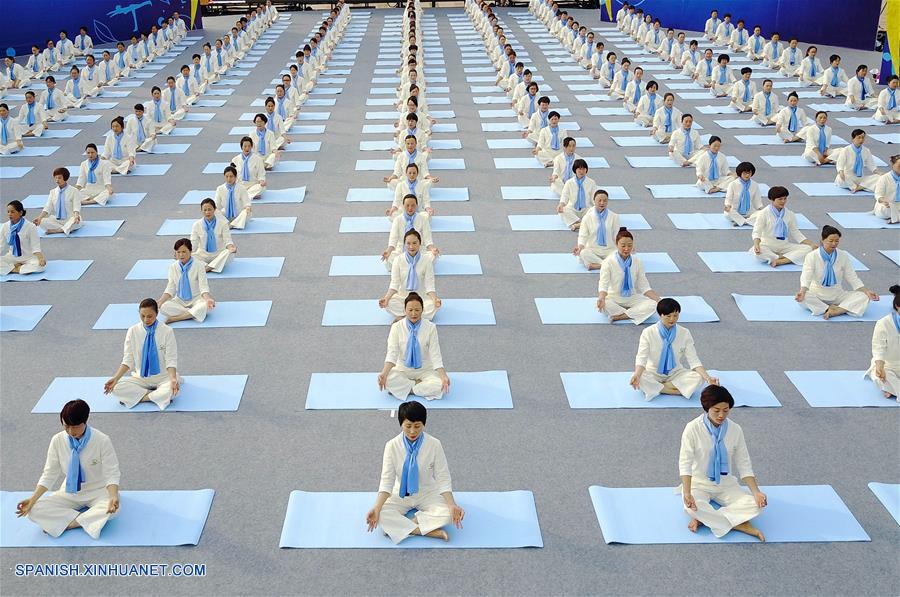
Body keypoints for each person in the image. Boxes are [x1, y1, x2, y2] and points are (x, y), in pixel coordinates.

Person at [14, 399, 120, 539]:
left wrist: (113, 496)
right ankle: (88, 520)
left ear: (85, 421)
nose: (70, 431)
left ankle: (68, 523)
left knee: (113, 510)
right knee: (33, 510)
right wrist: (32, 499)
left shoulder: (102, 440)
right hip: (69, 492)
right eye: (66, 426)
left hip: (98, 490)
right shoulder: (57, 440)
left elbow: (111, 472)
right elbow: (49, 474)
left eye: (75, 426)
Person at [365, 401, 462, 543]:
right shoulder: (391, 446)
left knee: (448, 513)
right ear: (401, 424)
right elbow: (387, 480)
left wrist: (452, 504)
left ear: (424, 424)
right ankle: (426, 531)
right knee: (381, 515)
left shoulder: (434, 444)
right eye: (408, 426)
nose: (412, 431)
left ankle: (401, 528)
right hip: (400, 493)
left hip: (427, 492)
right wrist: (377, 507)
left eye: (417, 426)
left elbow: (443, 477)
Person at [679, 386, 767, 541]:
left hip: (726, 485)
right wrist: (687, 493)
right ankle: (739, 524)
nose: (721, 415)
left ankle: (705, 520)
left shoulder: (735, 429)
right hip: (698, 484)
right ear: (707, 408)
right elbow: (685, 463)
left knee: (757, 504)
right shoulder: (692, 428)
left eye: (726, 410)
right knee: (690, 506)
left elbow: (744, 463)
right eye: (716, 410)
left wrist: (756, 492)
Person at [630, 298, 718, 400]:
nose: (672, 319)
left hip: (675, 373)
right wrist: (637, 375)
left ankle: (657, 388)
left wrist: (708, 378)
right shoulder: (648, 332)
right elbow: (642, 357)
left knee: (698, 377)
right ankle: (676, 390)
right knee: (640, 377)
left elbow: (693, 360)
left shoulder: (684, 333)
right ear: (660, 315)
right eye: (668, 316)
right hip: (653, 372)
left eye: (675, 315)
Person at [104, 298, 180, 409]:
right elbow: (128, 360)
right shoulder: (133, 331)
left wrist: (173, 379)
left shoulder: (167, 331)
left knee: (172, 389)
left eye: (149, 316)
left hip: (163, 377)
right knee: (116, 388)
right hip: (141, 378)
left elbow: (171, 359)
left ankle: (138, 397)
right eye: (142, 316)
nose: (146, 320)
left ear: (157, 313)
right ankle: (155, 396)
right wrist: (116, 378)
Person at [795, 226, 877, 319]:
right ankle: (830, 308)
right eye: (831, 241)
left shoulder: (843, 255)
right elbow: (806, 275)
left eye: (837, 241)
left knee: (864, 296)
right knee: (804, 298)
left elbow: (852, 276)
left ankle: (837, 311)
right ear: (822, 240)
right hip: (817, 295)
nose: (834, 244)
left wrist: (866, 291)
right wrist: (802, 291)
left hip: (837, 295)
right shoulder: (812, 256)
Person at [597, 228, 661, 324]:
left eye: (630, 245)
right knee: (604, 304)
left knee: (653, 304)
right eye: (623, 246)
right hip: (614, 297)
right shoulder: (608, 262)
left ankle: (621, 316)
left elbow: (644, 287)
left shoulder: (637, 262)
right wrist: (601, 298)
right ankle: (633, 313)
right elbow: (603, 284)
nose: (626, 249)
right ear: (616, 244)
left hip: (632, 297)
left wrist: (658, 300)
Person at [380, 230, 441, 320]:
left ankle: (404, 317)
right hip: (403, 297)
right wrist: (386, 298)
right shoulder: (398, 260)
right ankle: (416, 316)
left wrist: (435, 299)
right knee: (389, 303)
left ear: (420, 243)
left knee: (433, 306)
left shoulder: (427, 260)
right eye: (408, 243)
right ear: (404, 244)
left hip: (421, 297)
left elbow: (429, 284)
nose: (411, 246)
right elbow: (394, 283)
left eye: (414, 243)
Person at [750, 186, 816, 267]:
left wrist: (812, 244)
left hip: (784, 246)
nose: (783, 201)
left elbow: (796, 233)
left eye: (785, 198)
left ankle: (782, 260)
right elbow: (757, 231)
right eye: (780, 199)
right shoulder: (763, 213)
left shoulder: (790, 214)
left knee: (808, 249)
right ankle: (784, 258)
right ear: (772, 199)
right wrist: (756, 245)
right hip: (767, 245)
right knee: (758, 252)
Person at [159, 238, 216, 323]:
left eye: (184, 252)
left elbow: (203, 286)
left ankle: (176, 318)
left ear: (190, 251)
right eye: (178, 252)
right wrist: (160, 301)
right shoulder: (173, 267)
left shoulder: (199, 265)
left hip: (196, 298)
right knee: (163, 307)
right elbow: (170, 288)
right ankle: (192, 313)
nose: (181, 255)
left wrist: (207, 299)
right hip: (180, 300)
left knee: (205, 305)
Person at [383, 194, 438, 269]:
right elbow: (393, 238)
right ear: (403, 206)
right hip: (401, 250)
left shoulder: (423, 219)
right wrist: (388, 251)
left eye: (413, 205)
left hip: (419, 250)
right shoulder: (397, 219)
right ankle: (417, 267)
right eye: (407, 205)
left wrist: (433, 249)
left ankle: (406, 267)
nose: (410, 208)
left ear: (417, 205)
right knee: (388, 258)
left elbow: (427, 238)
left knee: (433, 256)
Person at [866, 286, 900, 398]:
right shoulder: (883, 323)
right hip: (888, 366)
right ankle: (892, 387)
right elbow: (878, 348)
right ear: (897, 306)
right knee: (880, 376)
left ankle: (891, 389)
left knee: (888, 383)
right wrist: (880, 365)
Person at [574, 190, 619, 270]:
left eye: (605, 200)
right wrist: (580, 246)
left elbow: (616, 235)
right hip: (593, 249)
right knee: (583, 253)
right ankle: (607, 265)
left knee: (620, 256)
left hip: (609, 249)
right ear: (594, 201)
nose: (602, 203)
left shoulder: (614, 217)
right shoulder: (587, 218)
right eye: (599, 200)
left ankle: (598, 265)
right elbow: (583, 235)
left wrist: (622, 246)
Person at [191, 199, 236, 273]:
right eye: (205, 210)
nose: (207, 212)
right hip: (202, 255)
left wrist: (231, 247)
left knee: (230, 253)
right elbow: (193, 243)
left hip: (218, 255)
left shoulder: (223, 223)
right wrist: (187, 253)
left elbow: (227, 240)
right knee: (188, 257)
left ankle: (207, 267)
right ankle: (214, 266)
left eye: (209, 209)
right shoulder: (196, 225)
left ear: (214, 209)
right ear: (201, 211)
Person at [34, 167, 82, 235]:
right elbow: (48, 207)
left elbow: (76, 206)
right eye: (56, 178)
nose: (57, 180)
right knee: (41, 222)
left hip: (71, 218)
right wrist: (39, 218)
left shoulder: (74, 191)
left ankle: (59, 230)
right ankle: (65, 229)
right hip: (57, 220)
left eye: (59, 178)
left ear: (65, 178)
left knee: (75, 222)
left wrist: (76, 216)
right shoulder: (53, 192)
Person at [2, 200, 46, 275]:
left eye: (12, 212)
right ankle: (17, 269)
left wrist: (41, 258)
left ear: (20, 213)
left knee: (41, 267)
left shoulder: (30, 226)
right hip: (12, 257)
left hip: (28, 257)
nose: (9, 214)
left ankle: (14, 268)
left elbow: (35, 246)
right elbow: (1, 245)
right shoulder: (5, 226)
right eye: (8, 212)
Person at [557, 159, 596, 230]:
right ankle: (582, 223)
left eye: (584, 169)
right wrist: (561, 204)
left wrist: (597, 207)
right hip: (573, 209)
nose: (582, 171)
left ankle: (577, 224)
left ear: (586, 170)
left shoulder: (591, 182)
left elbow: (594, 197)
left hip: (586, 209)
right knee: (562, 211)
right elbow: (565, 195)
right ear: (575, 170)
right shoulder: (569, 182)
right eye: (579, 169)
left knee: (595, 212)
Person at [724, 162, 763, 227]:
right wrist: (728, 205)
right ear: (740, 173)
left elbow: (757, 200)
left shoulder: (755, 185)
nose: (747, 175)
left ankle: (742, 221)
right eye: (745, 173)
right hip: (735, 211)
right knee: (727, 213)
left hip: (750, 212)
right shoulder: (733, 184)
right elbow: (728, 198)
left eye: (749, 173)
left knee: (763, 213)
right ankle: (748, 221)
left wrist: (760, 209)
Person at [873, 155, 900, 223]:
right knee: (885, 209)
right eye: (899, 166)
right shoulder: (884, 178)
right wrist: (883, 200)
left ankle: (896, 218)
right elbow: (878, 195)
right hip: (887, 206)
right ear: (893, 165)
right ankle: (896, 217)